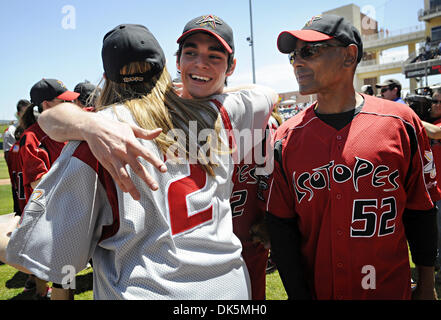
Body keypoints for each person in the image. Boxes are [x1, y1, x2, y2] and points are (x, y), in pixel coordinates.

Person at [1, 23, 276, 300]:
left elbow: (52, 261)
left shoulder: (94, 140)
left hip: (146, 289)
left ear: (107, 77)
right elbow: (266, 93)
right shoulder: (218, 112)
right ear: (169, 66)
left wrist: (86, 122)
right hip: (229, 286)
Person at [262, 14, 440, 300]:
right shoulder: (286, 136)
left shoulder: (400, 122)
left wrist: (428, 284)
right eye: (294, 55)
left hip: (388, 290)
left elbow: (421, 209)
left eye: (309, 51)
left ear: (349, 56)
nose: (297, 62)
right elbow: (282, 227)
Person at [4, 99, 31, 217]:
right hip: (19, 177)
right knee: (19, 210)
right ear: (19, 114)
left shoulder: (34, 128)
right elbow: (8, 157)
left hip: (31, 176)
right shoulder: (11, 131)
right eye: (26, 112)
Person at [425, 88, 441, 283]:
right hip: (433, 190)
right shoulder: (431, 122)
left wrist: (407, 116)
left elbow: (436, 133)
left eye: (438, 102)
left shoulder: (435, 126)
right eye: (433, 101)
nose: (434, 104)